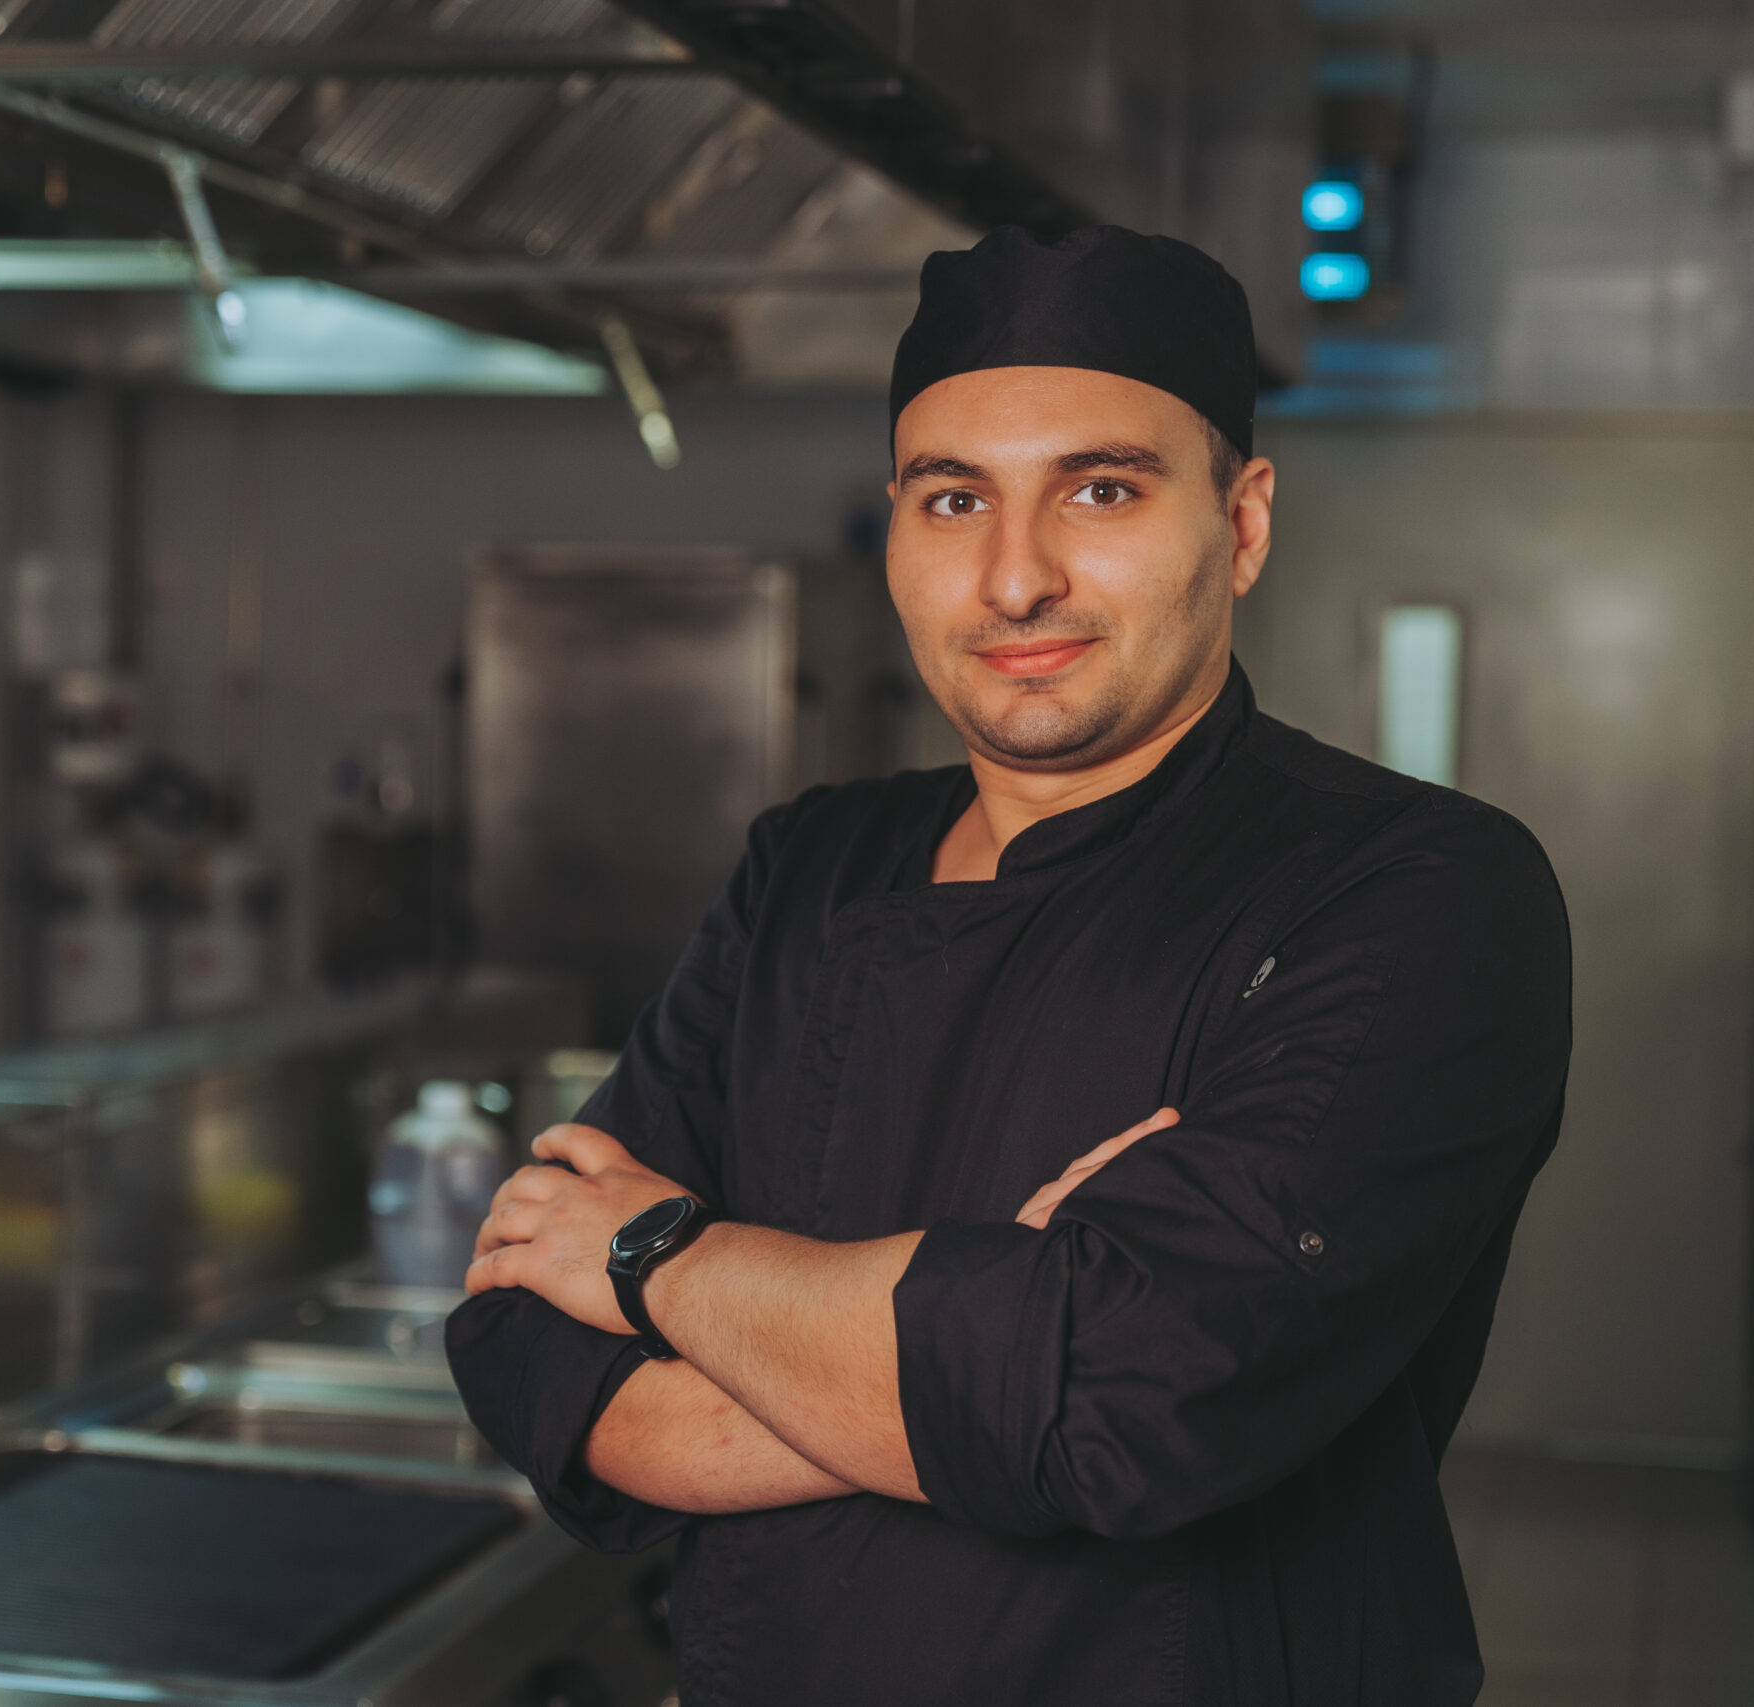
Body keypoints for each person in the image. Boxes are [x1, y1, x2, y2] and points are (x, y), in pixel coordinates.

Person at [446, 224, 1571, 1707]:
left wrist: (657, 1260)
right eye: (953, 497)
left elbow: (1126, 1397)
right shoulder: (812, 869)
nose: (1015, 576)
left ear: (1241, 524)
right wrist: (970, 1339)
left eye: (1100, 490)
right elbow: (523, 1337)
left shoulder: (1417, 891)